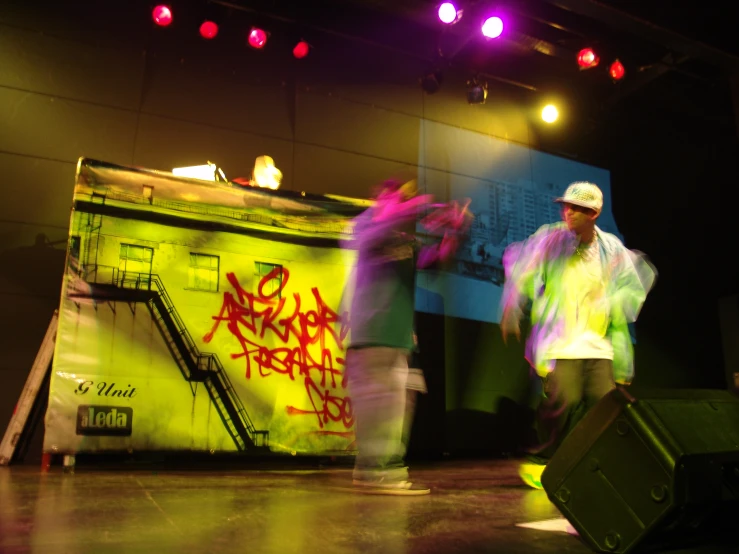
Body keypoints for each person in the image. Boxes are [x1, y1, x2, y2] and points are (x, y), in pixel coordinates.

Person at [499, 181, 656, 489]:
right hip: (562, 343)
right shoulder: (551, 239)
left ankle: (589, 462)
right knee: (564, 401)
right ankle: (544, 461)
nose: (567, 212)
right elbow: (522, 268)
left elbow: (638, 279)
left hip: (599, 346)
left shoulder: (610, 249)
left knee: (603, 406)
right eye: (566, 206)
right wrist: (511, 308)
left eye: (576, 209)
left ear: (594, 213)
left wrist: (612, 300)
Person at [343, 179, 470, 495]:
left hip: (398, 337)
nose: (402, 203)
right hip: (373, 333)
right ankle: (378, 472)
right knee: (380, 407)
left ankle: (382, 471)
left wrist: (454, 230)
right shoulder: (365, 224)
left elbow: (433, 262)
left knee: (400, 404)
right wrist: (419, 205)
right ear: (380, 197)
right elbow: (375, 233)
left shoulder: (403, 238)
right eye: (396, 197)